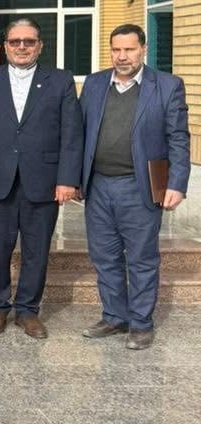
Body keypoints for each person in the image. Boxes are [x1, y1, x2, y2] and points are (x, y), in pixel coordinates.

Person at [0, 18, 82, 339]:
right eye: (15, 42)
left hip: (44, 180)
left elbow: (71, 134)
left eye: (29, 41)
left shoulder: (60, 80)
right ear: (5, 46)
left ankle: (28, 310)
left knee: (37, 250)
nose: (22, 47)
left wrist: (68, 179)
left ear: (40, 46)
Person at [78, 23, 190, 350]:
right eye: (116, 49)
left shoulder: (167, 86)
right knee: (105, 257)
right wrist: (73, 179)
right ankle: (115, 316)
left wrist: (177, 183)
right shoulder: (95, 83)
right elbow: (78, 133)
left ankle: (141, 323)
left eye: (129, 49)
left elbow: (178, 138)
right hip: (98, 185)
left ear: (143, 49)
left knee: (141, 258)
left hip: (139, 186)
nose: (122, 56)